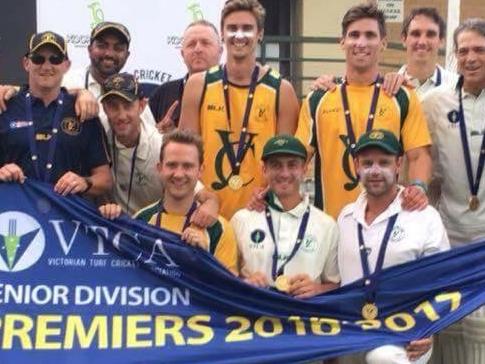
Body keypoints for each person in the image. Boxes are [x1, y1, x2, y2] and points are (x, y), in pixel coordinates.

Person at [296, 3, 432, 219]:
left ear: (383, 43)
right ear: (342, 42)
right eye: (354, 35)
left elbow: (418, 156)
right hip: (331, 224)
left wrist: (418, 187)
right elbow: (297, 159)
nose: (361, 43)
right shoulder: (318, 98)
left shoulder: (400, 96)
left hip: (384, 224)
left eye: (370, 35)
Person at [179, 0, 299, 220]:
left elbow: (285, 164)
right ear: (222, 34)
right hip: (206, 213)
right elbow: (183, 155)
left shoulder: (282, 90)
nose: (239, 35)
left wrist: (267, 193)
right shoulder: (198, 85)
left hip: (261, 213)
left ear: (260, 33)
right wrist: (204, 197)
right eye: (232, 28)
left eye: (247, 28)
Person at [337, 129, 449, 364]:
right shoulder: (345, 217)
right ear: (356, 165)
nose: (375, 170)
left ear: (399, 164)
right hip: (352, 330)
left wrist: (427, 328)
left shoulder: (425, 216)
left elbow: (443, 285)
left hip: (406, 331)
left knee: (383, 358)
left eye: (384, 162)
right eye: (367, 163)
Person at [421, 18, 485, 364]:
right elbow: (424, 165)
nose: (471, 58)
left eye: (479, 50)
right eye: (464, 51)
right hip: (449, 233)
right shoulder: (434, 102)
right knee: (446, 323)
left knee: (481, 332)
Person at [99, 129, 238, 275]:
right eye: (171, 165)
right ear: (159, 168)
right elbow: (125, 276)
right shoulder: (141, 220)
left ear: (200, 171)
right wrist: (109, 220)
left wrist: (204, 257)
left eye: (187, 166)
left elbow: (229, 291)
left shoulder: (218, 229)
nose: (178, 174)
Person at [100, 72, 219, 226]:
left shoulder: (159, 146)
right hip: (111, 226)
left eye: (128, 106)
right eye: (113, 107)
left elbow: (204, 194)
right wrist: (82, 94)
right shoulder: (98, 132)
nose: (121, 115)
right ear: (104, 108)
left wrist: (211, 204)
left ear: (142, 106)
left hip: (150, 229)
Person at [0, 31, 111, 197]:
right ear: (26, 63)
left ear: (66, 65)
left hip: (65, 218)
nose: (46, 66)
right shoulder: (5, 107)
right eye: (38, 58)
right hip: (16, 216)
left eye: (55, 59)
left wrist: (85, 182)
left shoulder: (82, 111)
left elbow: (105, 181)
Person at [231, 134, 339, 297]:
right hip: (254, 316)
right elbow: (225, 277)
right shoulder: (242, 219)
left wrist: (318, 289)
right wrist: (244, 283)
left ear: (305, 169)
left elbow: (336, 284)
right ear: (264, 170)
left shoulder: (327, 225)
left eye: (292, 165)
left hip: (303, 317)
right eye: (276, 165)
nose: (284, 173)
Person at [62, 21, 156, 131]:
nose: (109, 54)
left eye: (118, 48)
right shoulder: (68, 80)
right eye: (102, 46)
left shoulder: (133, 91)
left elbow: (150, 135)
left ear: (127, 55)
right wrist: (78, 92)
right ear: (89, 50)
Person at [149, 20, 223, 133]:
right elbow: (144, 140)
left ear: (220, 51)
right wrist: (158, 135)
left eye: (205, 43)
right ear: (182, 54)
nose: (198, 49)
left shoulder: (234, 91)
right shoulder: (162, 93)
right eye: (191, 44)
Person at [398, 7, 458, 99]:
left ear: (441, 41)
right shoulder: (386, 88)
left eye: (430, 34)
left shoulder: (457, 88)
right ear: (404, 39)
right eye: (416, 34)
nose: (422, 42)